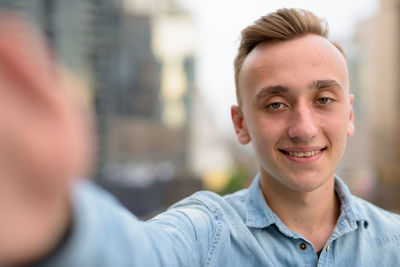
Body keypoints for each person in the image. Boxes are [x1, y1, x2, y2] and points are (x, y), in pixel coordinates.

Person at [1, 8, 399, 267]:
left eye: (323, 99)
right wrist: (54, 222)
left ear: (348, 114)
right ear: (240, 124)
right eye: (276, 104)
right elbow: (138, 254)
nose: (304, 127)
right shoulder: (202, 235)